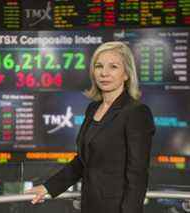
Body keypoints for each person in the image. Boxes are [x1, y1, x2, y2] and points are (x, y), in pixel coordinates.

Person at [24, 41, 155, 213]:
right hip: (89, 206)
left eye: (113, 67)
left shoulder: (136, 112)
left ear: (126, 74)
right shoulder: (93, 108)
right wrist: (48, 187)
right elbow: (83, 161)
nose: (104, 73)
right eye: (99, 66)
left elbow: (137, 174)